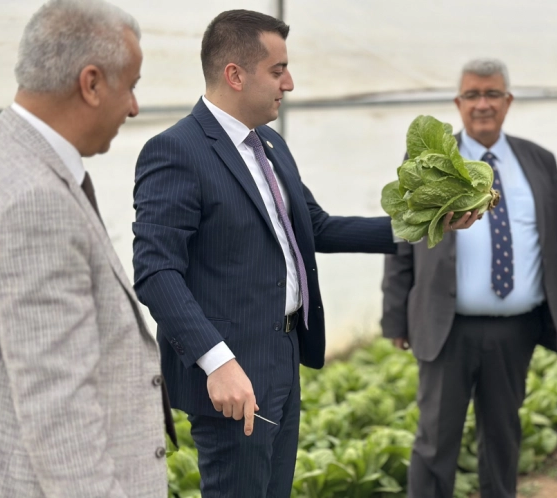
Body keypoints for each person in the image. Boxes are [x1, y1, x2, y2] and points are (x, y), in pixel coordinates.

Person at [132, 10, 477, 498]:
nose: (289, 83)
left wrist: (426, 223)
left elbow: (315, 228)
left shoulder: (269, 144)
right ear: (235, 74)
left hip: (283, 355)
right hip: (232, 375)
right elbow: (155, 271)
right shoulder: (175, 151)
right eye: (278, 70)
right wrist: (217, 361)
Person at [0, 0, 172, 496]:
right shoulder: (36, 202)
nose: (134, 107)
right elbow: (58, 408)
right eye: (130, 86)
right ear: (90, 83)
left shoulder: (2, 159)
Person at [382, 59, 557, 498]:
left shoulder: (538, 161)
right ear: (457, 102)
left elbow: (555, 242)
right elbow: (401, 240)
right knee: (434, 442)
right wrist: (395, 318)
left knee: (504, 439)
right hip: (447, 327)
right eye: (472, 95)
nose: (482, 104)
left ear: (508, 101)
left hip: (515, 329)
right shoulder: (429, 163)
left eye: (492, 94)